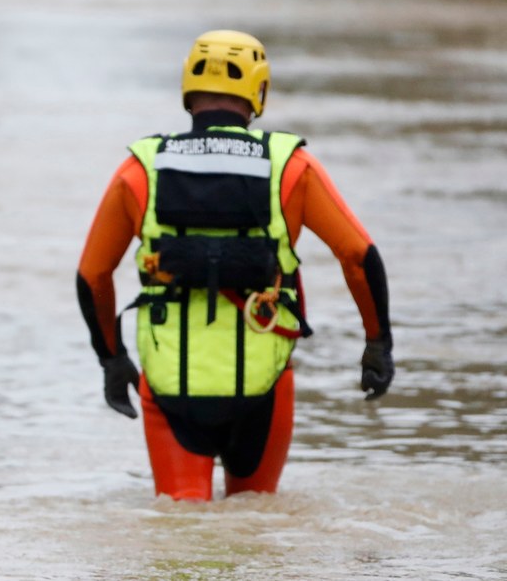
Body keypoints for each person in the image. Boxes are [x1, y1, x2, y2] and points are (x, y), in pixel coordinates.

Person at [74, 29, 395, 501]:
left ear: (187, 89)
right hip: (263, 382)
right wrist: (378, 343)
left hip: (170, 384)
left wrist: (112, 359)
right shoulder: (292, 166)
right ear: (259, 91)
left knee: (184, 540)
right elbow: (358, 256)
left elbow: (92, 275)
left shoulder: (141, 169)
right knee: (257, 532)